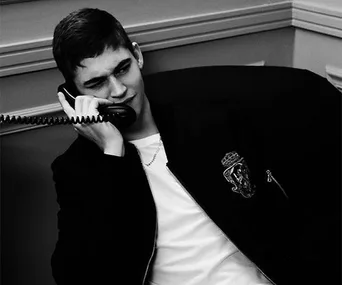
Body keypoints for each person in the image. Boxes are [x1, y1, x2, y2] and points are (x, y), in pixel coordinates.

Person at [51, 7, 341, 285]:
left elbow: (290, 215)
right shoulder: (78, 170)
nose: (118, 91)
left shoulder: (212, 122)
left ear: (137, 56)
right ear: (74, 96)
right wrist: (111, 157)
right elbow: (80, 275)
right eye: (97, 83)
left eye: (122, 69)